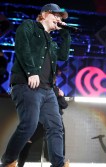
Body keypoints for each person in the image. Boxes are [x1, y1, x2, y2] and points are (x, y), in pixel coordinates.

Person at [0, 3, 71, 167]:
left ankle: (58, 164)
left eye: (61, 18)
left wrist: (66, 34)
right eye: (57, 16)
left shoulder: (52, 43)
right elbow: (21, 46)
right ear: (45, 14)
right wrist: (32, 71)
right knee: (29, 125)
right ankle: (8, 160)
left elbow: (64, 56)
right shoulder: (29, 26)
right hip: (27, 85)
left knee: (56, 127)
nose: (59, 19)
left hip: (48, 90)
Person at [17, 84, 68, 167]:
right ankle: (19, 164)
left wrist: (61, 96)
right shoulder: (40, 88)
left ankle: (59, 164)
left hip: (56, 121)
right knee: (27, 141)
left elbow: (64, 105)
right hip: (41, 120)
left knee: (59, 142)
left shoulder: (56, 89)